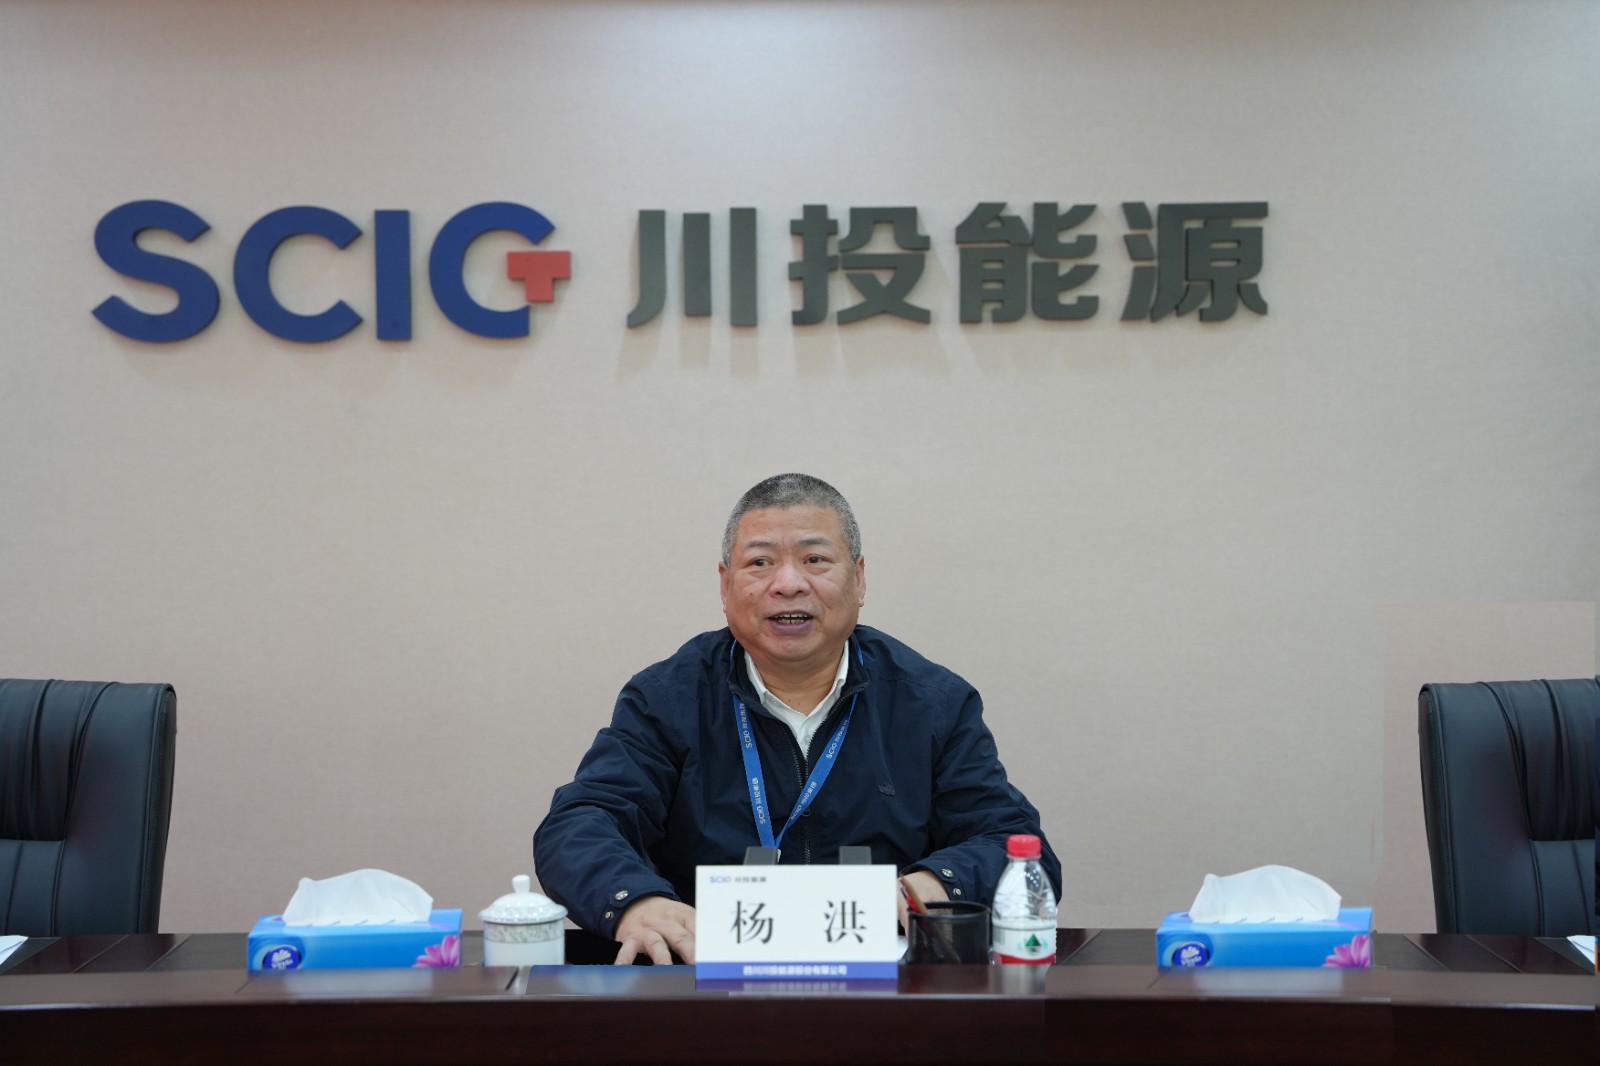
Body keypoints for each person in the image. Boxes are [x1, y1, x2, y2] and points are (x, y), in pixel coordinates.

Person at [533, 473, 1059, 964]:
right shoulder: (667, 699)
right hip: (708, 982)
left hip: (890, 991)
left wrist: (930, 884)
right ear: (725, 585)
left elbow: (1016, 847)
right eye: (760, 562)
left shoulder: (932, 702)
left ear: (859, 579)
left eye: (815, 559)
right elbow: (580, 822)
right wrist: (634, 902)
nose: (788, 583)